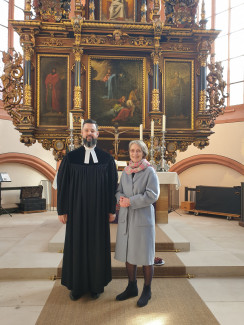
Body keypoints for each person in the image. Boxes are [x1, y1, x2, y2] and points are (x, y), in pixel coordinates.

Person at [57, 119, 118, 300]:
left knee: (97, 246)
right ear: (81, 134)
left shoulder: (107, 159)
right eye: (86, 131)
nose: (89, 133)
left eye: (92, 130)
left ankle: (96, 286)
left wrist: (111, 209)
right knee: (77, 245)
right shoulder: (70, 158)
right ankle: (76, 286)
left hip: (99, 212)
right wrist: (62, 210)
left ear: (98, 134)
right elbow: (63, 185)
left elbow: (111, 187)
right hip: (76, 211)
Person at [115, 140, 160, 307]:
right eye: (132, 150)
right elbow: (119, 190)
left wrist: (131, 201)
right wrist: (120, 199)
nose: (135, 154)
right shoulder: (126, 172)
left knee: (146, 256)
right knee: (129, 252)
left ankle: (147, 289)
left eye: (138, 151)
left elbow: (152, 195)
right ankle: (131, 286)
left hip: (142, 218)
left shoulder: (149, 171)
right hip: (126, 217)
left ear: (144, 153)